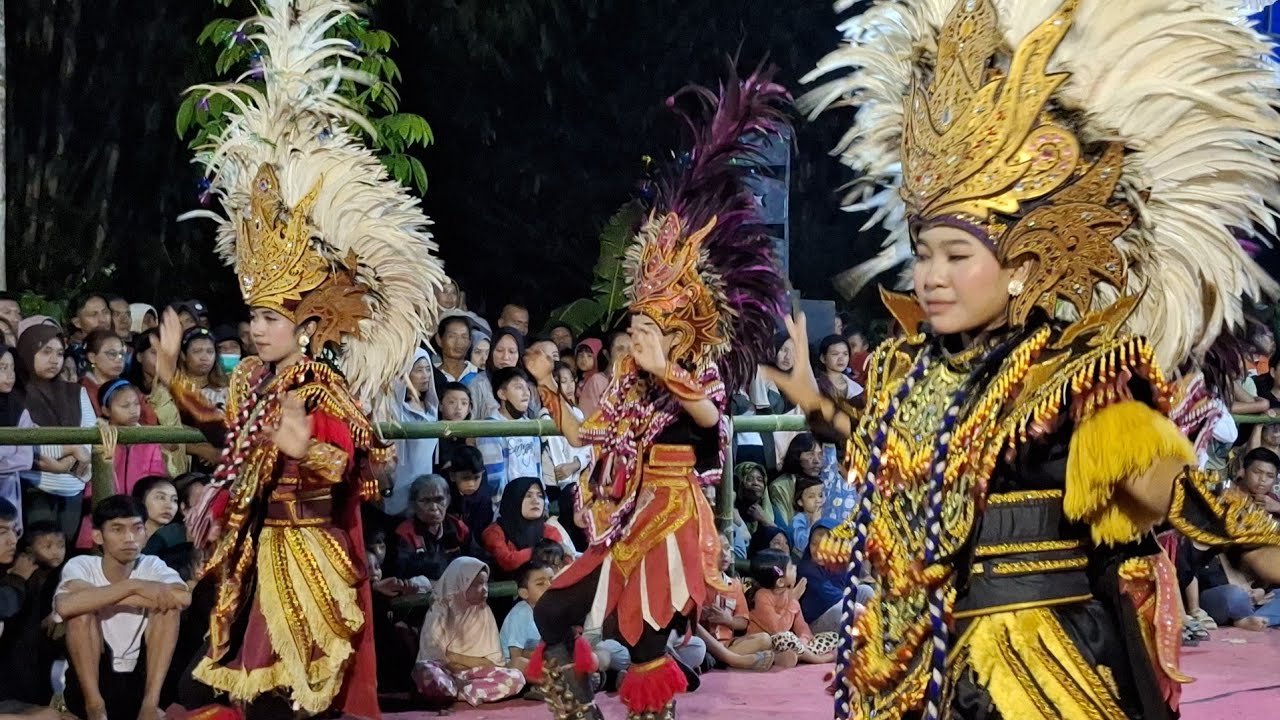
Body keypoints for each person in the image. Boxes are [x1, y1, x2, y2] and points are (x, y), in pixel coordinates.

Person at [786, 0, 1280, 715]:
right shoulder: (911, 369)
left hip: (1036, 661)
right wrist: (812, 399)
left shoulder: (1081, 375)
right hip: (918, 663)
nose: (931, 275)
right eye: (924, 253)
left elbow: (1190, 505)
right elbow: (894, 454)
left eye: (958, 255)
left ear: (1021, 266)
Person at [158, 0, 446, 713]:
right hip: (260, 550)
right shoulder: (257, 377)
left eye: (266, 318)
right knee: (258, 694)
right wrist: (170, 377)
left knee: (295, 694)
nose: (254, 330)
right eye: (251, 316)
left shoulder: (319, 381)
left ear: (302, 323)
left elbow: (354, 463)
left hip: (309, 554)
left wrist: (308, 444)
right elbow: (230, 443)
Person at [524, 68, 788, 719]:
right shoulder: (629, 385)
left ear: (674, 329)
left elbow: (706, 414)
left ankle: (655, 702)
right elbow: (587, 436)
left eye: (649, 326)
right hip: (626, 515)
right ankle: (588, 706)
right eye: (635, 324)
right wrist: (546, 389)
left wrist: (663, 363)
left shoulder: (694, 373)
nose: (636, 335)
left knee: (640, 640)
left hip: (672, 519)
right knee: (556, 610)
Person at [56, 495, 189, 720]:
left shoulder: (152, 564)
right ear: (98, 536)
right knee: (81, 614)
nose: (129, 538)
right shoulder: (82, 565)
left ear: (146, 534)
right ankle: (94, 706)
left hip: (143, 678)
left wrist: (98, 596)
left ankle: (150, 704)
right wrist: (134, 586)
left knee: (168, 611)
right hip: (97, 678)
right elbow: (66, 606)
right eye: (117, 530)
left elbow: (182, 598)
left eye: (137, 529)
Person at [16, 324, 94, 543]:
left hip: (73, 485)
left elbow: (89, 438)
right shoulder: (15, 394)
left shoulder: (76, 392)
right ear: (27, 352)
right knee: (36, 554)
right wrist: (72, 449)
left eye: (60, 353)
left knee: (63, 555)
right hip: (34, 486)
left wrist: (66, 463)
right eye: (46, 352)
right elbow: (28, 442)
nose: (54, 360)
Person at [413, 557, 526, 706]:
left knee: (516, 677)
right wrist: (457, 664)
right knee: (425, 671)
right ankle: (462, 691)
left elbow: (494, 663)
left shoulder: (484, 611)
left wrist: (454, 657)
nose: (485, 589)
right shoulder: (439, 612)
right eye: (477, 584)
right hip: (445, 675)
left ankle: (459, 693)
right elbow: (434, 660)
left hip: (474, 675)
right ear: (460, 584)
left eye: (485, 583)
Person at [694, 535, 775, 671]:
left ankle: (721, 660)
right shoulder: (697, 585)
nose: (725, 554)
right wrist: (702, 616)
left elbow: (743, 622)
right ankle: (726, 659)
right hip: (705, 644)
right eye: (718, 550)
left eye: (727, 548)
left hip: (729, 644)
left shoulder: (734, 585)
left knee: (765, 639)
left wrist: (728, 620)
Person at [746, 549, 837, 666]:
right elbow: (778, 630)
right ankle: (817, 658)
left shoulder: (788, 592)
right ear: (780, 582)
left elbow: (803, 628)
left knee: (833, 636)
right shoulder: (761, 596)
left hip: (792, 644)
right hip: (768, 643)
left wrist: (803, 640)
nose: (795, 567)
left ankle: (797, 654)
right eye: (790, 567)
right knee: (786, 637)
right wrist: (793, 601)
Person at [480, 477, 575, 575]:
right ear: (514, 500)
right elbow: (507, 561)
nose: (536, 501)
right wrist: (540, 551)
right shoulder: (494, 532)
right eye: (528, 496)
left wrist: (565, 554)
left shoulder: (549, 530)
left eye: (540, 496)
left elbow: (564, 560)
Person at [476, 367, 543, 502]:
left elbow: (538, 469)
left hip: (532, 502)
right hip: (507, 506)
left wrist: (543, 501)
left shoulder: (531, 426)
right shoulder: (490, 428)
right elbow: (494, 477)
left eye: (527, 388)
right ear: (502, 394)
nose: (526, 393)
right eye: (518, 388)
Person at [392, 475, 475, 583]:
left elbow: (479, 559)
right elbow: (403, 571)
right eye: (425, 501)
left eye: (439, 499)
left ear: (448, 500)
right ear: (413, 504)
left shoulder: (458, 527)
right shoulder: (405, 533)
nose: (434, 507)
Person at [387, 348, 440, 517]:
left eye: (427, 369)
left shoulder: (431, 408)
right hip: (400, 486)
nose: (425, 375)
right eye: (418, 370)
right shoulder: (395, 410)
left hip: (425, 486)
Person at [91, 380, 167, 497]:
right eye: (125, 406)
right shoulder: (97, 437)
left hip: (139, 508)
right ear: (106, 410)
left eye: (136, 404)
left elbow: (156, 477)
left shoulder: (148, 440)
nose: (133, 410)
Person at [0, 346, 34, 533]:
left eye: (12, 368)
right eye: (2, 367)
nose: (10, 374)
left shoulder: (19, 411)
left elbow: (24, 458)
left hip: (7, 492)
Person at [546, 362, 592, 498]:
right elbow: (557, 458)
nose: (570, 386)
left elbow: (588, 447)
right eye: (564, 382)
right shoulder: (548, 416)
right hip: (562, 487)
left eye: (572, 380)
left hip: (580, 478)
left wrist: (576, 464)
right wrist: (567, 479)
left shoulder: (577, 412)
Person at [131, 477, 191, 578]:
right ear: (140, 500)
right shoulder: (129, 538)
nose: (169, 506)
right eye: (160, 497)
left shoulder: (179, 540)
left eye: (174, 500)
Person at [500, 562, 555, 671]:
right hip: (512, 667)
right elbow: (515, 657)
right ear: (524, 593)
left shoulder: (552, 608)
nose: (549, 586)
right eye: (540, 584)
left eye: (552, 580)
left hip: (540, 659)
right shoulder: (519, 615)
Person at [470, 327, 525, 422]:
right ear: (491, 352)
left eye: (512, 351)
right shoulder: (478, 384)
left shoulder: (528, 385)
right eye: (499, 350)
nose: (506, 357)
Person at [768, 433, 822, 529]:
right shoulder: (781, 486)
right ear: (796, 456)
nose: (816, 460)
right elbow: (784, 527)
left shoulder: (828, 481)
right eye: (810, 454)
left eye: (820, 454)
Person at [577, 332, 629, 419]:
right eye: (620, 349)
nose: (627, 354)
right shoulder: (597, 382)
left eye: (631, 349)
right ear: (607, 354)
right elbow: (587, 421)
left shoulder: (638, 381)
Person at [175, 327, 228, 412]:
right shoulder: (174, 389)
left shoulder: (225, 390)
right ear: (183, 355)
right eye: (197, 351)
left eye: (210, 352)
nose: (205, 357)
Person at [448, 445, 493, 540]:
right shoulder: (444, 493)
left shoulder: (484, 497)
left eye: (476, 477)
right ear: (452, 476)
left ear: (482, 474)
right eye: (465, 478)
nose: (471, 484)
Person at [435, 381, 474, 473]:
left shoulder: (472, 435)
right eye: (452, 402)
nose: (458, 407)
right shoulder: (434, 433)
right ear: (440, 406)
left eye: (464, 403)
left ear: (469, 408)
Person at [434, 315, 479, 388]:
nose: (459, 342)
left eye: (464, 337)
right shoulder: (431, 376)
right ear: (439, 340)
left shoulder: (479, 375)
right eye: (452, 336)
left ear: (469, 342)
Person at [815, 335, 862, 402]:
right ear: (823, 358)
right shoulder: (815, 386)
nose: (841, 359)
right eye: (835, 354)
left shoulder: (856, 388)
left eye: (845, 354)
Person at [1236, 447, 1280, 518]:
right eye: (1257, 472)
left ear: (1275, 480)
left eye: (1270, 476)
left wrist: (1277, 507)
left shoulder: (1272, 499)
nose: (1263, 479)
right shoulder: (1227, 492)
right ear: (1243, 472)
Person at [790, 475, 826, 552]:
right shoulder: (799, 519)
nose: (818, 500)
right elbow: (802, 545)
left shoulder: (827, 514)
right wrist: (814, 523)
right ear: (800, 501)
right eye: (811, 497)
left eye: (820, 495)